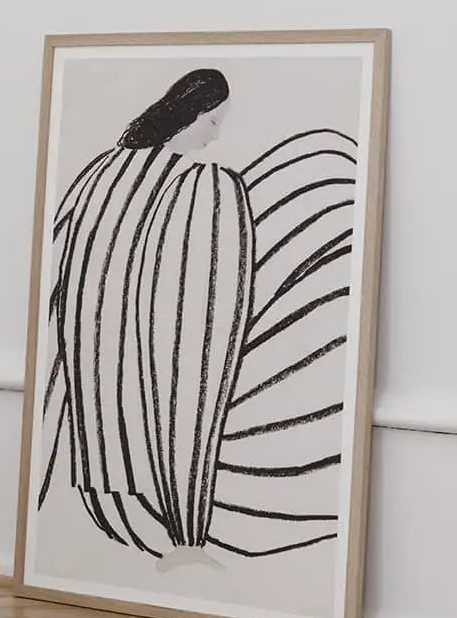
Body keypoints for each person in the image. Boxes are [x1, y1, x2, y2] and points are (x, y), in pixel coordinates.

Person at [41, 69, 354, 565]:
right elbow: (208, 323)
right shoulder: (204, 185)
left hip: (96, 395)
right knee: (187, 387)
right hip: (162, 394)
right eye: (212, 121)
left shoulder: (98, 174)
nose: (216, 134)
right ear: (188, 117)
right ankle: (185, 535)